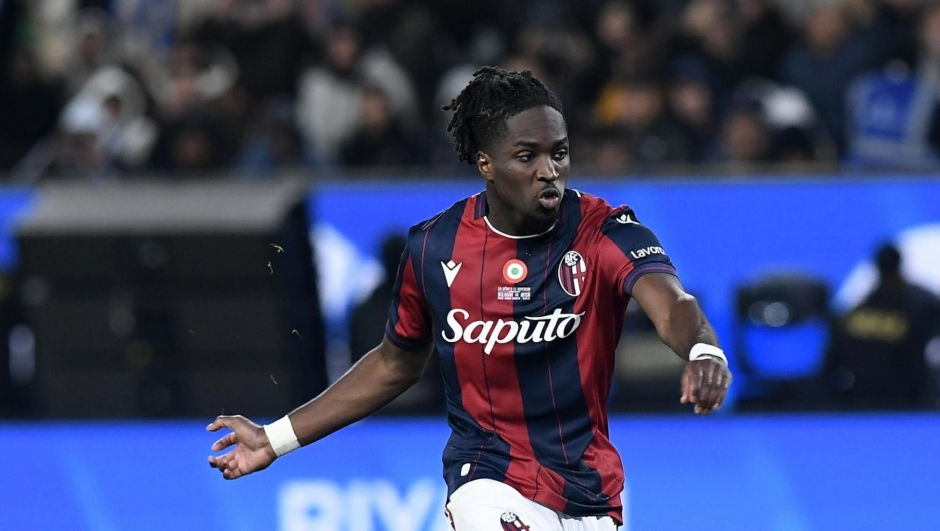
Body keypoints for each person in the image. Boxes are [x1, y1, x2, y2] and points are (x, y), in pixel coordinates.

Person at [207, 67, 732, 530]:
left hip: (590, 492)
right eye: (527, 156)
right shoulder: (434, 247)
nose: (549, 170)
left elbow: (672, 303)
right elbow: (395, 364)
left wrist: (702, 350)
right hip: (486, 475)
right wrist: (274, 439)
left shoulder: (605, 230)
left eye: (559, 152)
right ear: (486, 163)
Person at [825, 243, 940, 409]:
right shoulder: (922, 305)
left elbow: (833, 360)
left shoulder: (858, 310)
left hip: (863, 399)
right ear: (900, 264)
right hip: (908, 402)